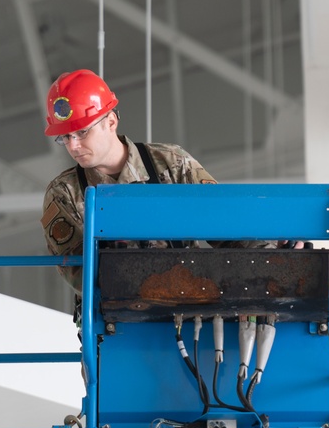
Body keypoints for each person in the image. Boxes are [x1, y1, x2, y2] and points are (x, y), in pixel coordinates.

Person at [41, 68, 266, 295]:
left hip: (190, 306)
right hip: (117, 318)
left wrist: (278, 251)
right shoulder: (64, 193)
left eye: (81, 133)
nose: (73, 146)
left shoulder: (171, 164)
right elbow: (82, 274)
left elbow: (227, 228)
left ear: (110, 122)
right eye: (65, 138)